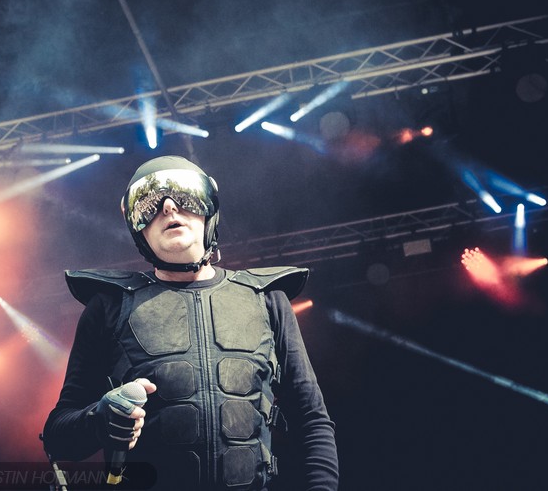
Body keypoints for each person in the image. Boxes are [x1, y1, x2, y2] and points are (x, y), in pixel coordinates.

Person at [42, 155, 339, 490]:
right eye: (148, 202)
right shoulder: (108, 306)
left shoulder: (268, 299)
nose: (169, 207)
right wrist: (99, 418)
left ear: (209, 209)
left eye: (184, 194)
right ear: (137, 227)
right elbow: (58, 436)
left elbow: (312, 420)